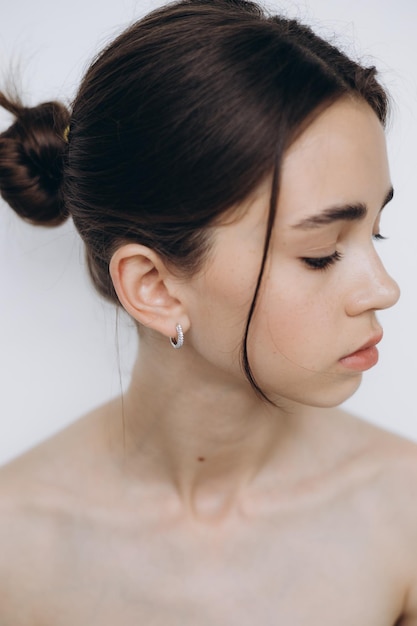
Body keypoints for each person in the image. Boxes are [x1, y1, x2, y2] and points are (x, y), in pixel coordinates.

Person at [0, 0, 416, 623]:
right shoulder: (15, 549)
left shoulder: (402, 513)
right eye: (323, 254)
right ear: (155, 288)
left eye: (375, 233)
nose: (384, 290)